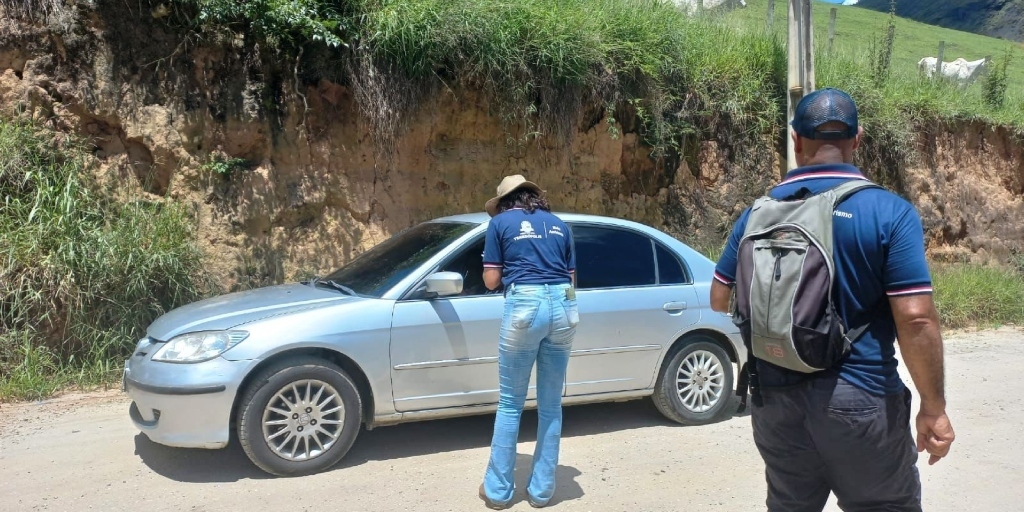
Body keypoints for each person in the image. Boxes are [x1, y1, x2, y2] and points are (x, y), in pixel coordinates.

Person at [709, 88, 955, 511]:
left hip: (775, 402)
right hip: (860, 401)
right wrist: (933, 408)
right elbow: (915, 319)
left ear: (795, 141)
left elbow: (719, 298)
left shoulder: (757, 213)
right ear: (856, 140)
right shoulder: (888, 212)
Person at [478, 174, 578, 510]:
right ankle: (541, 492)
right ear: (534, 196)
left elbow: (492, 280)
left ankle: (498, 491)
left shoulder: (500, 224)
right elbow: (571, 279)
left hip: (525, 304)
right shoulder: (560, 225)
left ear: (505, 201)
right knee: (550, 405)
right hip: (564, 305)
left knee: (510, 403)